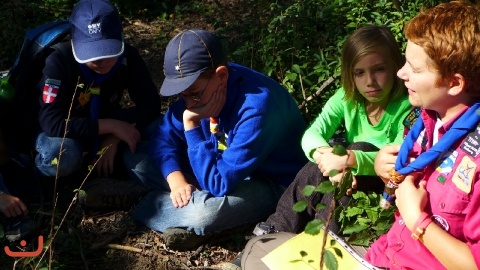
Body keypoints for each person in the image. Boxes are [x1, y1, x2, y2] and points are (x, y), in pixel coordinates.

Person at [239, 25, 413, 269]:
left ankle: (325, 242)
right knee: (317, 163)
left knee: (359, 145)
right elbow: (312, 134)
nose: (369, 81)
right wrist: (331, 160)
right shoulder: (348, 97)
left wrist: (351, 159)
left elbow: (399, 157)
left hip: (385, 189)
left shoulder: (407, 104)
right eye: (359, 73)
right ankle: (273, 231)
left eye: (379, 69)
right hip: (345, 178)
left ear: (396, 65)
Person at [124, 29, 308, 250]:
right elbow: (163, 136)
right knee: (132, 157)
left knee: (204, 213)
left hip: (267, 181)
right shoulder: (197, 87)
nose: (189, 102)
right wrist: (175, 179)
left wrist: (191, 125)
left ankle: (141, 202)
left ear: (221, 75)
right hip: (219, 166)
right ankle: (180, 201)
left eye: (194, 95)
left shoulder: (258, 107)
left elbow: (218, 184)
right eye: (182, 96)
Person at [365, 1, 480, 269]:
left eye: (415, 69)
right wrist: (387, 172)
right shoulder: (426, 119)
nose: (400, 73)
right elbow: (407, 185)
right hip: (384, 255)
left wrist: (417, 219)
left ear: (454, 83)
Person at [35, 0, 161, 181]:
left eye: (109, 52)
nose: (102, 62)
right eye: (92, 55)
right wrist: (112, 126)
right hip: (63, 134)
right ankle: (59, 175)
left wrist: (114, 136)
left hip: (106, 124)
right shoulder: (58, 61)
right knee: (62, 155)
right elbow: (52, 123)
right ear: (75, 43)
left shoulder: (128, 58)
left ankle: (120, 163)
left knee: (162, 125)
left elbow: (151, 105)